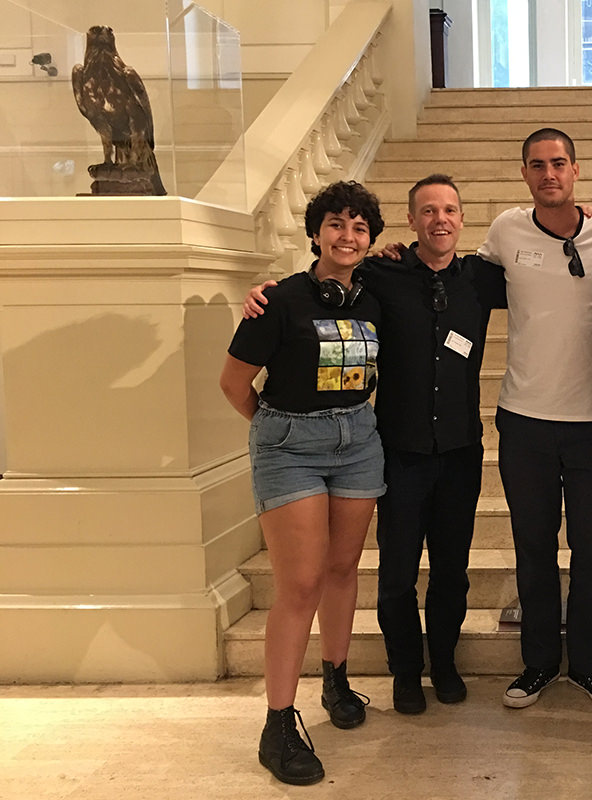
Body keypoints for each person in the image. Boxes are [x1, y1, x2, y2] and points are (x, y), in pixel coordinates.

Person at [242, 176, 505, 716]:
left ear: (462, 218)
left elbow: (550, 268)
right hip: (395, 448)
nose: (440, 219)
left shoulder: (483, 277)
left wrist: (582, 220)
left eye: (450, 210)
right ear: (412, 222)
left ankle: (446, 663)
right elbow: (320, 279)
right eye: (428, 209)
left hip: (459, 449)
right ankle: (404, 671)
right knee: (396, 570)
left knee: (452, 568)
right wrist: (258, 293)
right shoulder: (380, 275)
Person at [220, 180, 387, 785]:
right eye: (336, 225)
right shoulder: (279, 301)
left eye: (359, 227)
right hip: (291, 446)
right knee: (300, 583)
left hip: (360, 442)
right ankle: (277, 723)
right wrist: (274, 429)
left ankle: (337, 678)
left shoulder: (373, 297)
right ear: (315, 233)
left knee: (344, 570)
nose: (347, 236)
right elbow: (234, 384)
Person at [477, 128, 592, 712]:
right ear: (524, 174)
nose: (548, 174)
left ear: (576, 170)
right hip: (524, 419)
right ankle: (539, 663)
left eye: (558, 163)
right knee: (533, 547)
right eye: (536, 165)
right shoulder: (504, 231)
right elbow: (451, 277)